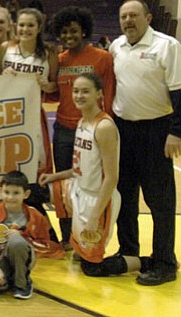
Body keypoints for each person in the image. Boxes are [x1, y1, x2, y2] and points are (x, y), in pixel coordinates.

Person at [40, 74, 149, 278]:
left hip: (99, 200)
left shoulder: (104, 126)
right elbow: (79, 167)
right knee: (38, 191)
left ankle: (147, 262)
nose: (79, 95)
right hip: (80, 191)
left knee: (92, 268)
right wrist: (54, 176)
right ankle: (68, 244)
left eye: (85, 91)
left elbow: (111, 178)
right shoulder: (82, 122)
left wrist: (94, 216)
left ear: (99, 94)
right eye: (76, 91)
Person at [109, 0, 181, 286]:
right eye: (123, 16)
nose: (128, 20)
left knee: (159, 200)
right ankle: (130, 253)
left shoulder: (167, 46)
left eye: (134, 15)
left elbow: (179, 93)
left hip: (156, 131)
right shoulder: (116, 46)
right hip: (123, 132)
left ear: (148, 18)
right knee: (124, 196)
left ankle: (165, 262)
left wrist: (176, 131)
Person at [50, 6, 115, 248]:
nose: (69, 36)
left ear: (84, 31)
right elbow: (54, 93)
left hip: (93, 131)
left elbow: (109, 94)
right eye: (64, 32)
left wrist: (106, 128)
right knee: (63, 188)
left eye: (74, 31)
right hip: (64, 131)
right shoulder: (60, 60)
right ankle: (67, 237)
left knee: (90, 184)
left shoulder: (102, 57)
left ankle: (89, 232)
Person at [0, 8, 60, 242]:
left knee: (35, 175)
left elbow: (56, 89)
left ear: (39, 28)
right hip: (7, 119)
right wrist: (3, 74)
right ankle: (8, 226)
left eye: (30, 26)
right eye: (21, 25)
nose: (25, 30)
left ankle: (43, 230)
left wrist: (47, 85)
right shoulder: (6, 48)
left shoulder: (49, 53)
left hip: (34, 120)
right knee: (7, 171)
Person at [0, 171, 59, 300]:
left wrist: (23, 236)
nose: (10, 197)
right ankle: (10, 278)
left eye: (16, 193)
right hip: (0, 259)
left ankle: (22, 283)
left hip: (24, 256)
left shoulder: (35, 216)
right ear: (0, 191)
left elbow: (45, 246)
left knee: (16, 241)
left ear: (26, 194)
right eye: (7, 192)